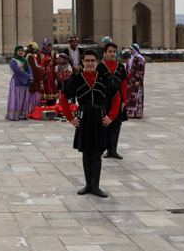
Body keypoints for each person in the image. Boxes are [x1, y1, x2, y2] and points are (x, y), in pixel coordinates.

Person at [60, 49, 120, 198]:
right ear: (82, 62)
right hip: (84, 118)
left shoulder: (103, 78)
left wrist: (111, 117)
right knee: (86, 152)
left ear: (97, 61)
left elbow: (116, 97)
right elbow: (63, 98)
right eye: (87, 61)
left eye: (93, 60)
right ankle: (88, 185)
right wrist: (71, 118)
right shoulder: (77, 78)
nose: (90, 63)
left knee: (97, 153)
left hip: (99, 118)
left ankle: (96, 186)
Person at [98, 41, 127, 160]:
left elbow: (124, 84)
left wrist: (124, 100)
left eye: (114, 52)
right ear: (105, 53)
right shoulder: (100, 67)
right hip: (104, 99)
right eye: (110, 52)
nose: (112, 54)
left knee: (116, 124)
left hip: (117, 99)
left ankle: (113, 149)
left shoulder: (120, 67)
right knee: (105, 123)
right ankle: (105, 149)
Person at [6, 45, 33, 120]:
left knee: (24, 98)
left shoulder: (24, 60)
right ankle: (15, 115)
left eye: (22, 51)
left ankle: (22, 114)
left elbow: (29, 69)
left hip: (25, 82)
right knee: (17, 98)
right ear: (16, 52)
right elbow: (18, 71)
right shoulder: (13, 60)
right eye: (19, 51)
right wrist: (28, 76)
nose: (21, 52)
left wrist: (31, 77)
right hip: (16, 81)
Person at [126, 43, 146, 119]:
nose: (130, 51)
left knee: (137, 97)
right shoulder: (130, 58)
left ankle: (137, 112)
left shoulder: (139, 59)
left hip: (136, 81)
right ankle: (130, 112)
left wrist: (138, 80)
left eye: (131, 49)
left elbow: (140, 70)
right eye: (130, 49)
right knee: (130, 97)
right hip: (129, 81)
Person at [25, 42, 43, 113]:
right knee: (33, 93)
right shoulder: (30, 57)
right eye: (35, 49)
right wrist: (41, 69)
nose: (36, 51)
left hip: (31, 77)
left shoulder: (29, 55)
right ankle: (32, 110)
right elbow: (33, 68)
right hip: (33, 78)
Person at [39, 38, 58, 104]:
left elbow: (55, 62)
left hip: (51, 75)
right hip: (43, 75)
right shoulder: (40, 54)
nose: (48, 47)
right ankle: (44, 103)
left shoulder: (53, 53)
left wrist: (54, 62)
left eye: (50, 45)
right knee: (44, 88)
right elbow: (38, 64)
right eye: (47, 46)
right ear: (44, 45)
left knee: (52, 87)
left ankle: (52, 102)